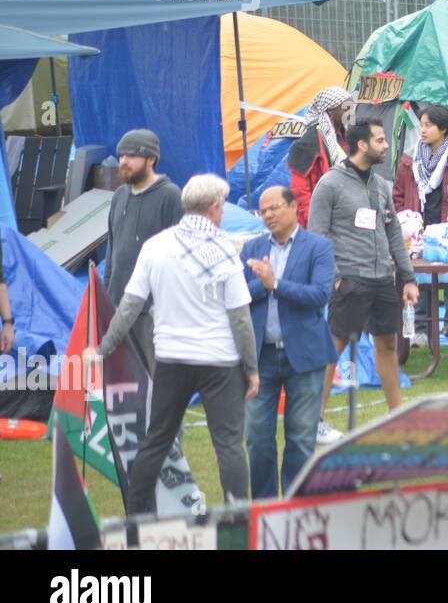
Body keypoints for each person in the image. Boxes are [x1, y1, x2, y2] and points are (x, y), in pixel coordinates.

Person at [83, 175, 257, 514]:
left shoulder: (155, 247)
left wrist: (103, 348)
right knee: (228, 444)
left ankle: (136, 512)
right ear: (213, 208)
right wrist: (251, 368)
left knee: (157, 438)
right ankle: (238, 515)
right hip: (218, 361)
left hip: (172, 359)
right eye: (221, 207)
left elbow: (129, 306)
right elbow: (240, 318)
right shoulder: (223, 250)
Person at [308, 118, 419, 414]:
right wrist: (333, 278)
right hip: (348, 280)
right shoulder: (330, 184)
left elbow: (393, 231)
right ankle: (314, 418)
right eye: (380, 141)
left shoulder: (381, 184)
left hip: (383, 279)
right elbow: (316, 234)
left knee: (388, 345)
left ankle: (397, 415)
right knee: (333, 349)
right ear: (361, 145)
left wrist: (408, 278)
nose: (385, 146)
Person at [242, 187, 336, 499]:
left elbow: (319, 295)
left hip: (304, 354)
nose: (268, 215)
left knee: (300, 438)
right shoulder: (251, 248)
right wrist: (264, 285)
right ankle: (265, 508)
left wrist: (277, 284)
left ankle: (296, 508)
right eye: (262, 210)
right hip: (261, 357)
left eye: (274, 208)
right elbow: (238, 295)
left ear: (294, 206)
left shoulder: (318, 247)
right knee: (257, 437)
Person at [103, 129, 185, 371]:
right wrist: (108, 299)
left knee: (156, 383)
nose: (124, 162)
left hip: (152, 313)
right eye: (121, 156)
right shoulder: (119, 196)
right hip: (119, 309)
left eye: (132, 155)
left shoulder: (171, 196)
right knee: (122, 385)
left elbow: (180, 258)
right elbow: (112, 253)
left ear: (151, 159)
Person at [393, 105, 448, 225]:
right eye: (421, 125)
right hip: (417, 231)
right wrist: (407, 221)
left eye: (428, 125)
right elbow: (398, 195)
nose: (422, 130)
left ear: (443, 128)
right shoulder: (410, 159)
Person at [287, 86, 356, 229]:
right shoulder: (308, 144)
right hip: (320, 220)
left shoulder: (347, 138)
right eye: (346, 107)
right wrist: (313, 221)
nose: (351, 111)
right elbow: (301, 189)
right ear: (331, 111)